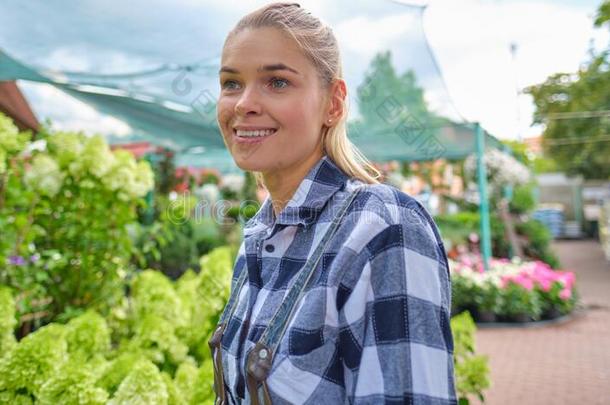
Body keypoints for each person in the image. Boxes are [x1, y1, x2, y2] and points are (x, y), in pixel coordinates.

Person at [212, 3, 456, 404]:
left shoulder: (381, 229)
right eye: (231, 83)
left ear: (334, 104)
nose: (243, 104)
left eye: (276, 82)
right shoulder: (258, 236)